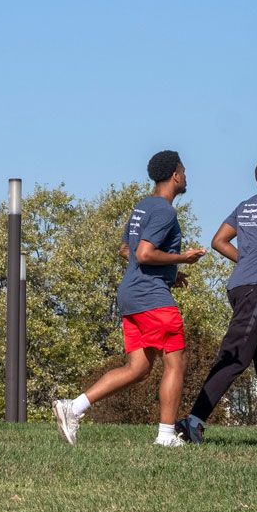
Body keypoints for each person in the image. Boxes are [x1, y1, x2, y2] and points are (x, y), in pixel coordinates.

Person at [53, 150, 207, 447]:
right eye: (184, 171)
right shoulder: (164, 211)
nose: (186, 176)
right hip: (152, 299)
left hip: (132, 294)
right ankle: (165, 437)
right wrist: (182, 259)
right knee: (177, 362)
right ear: (175, 175)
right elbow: (144, 253)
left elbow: (127, 249)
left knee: (138, 368)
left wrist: (170, 275)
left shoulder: (142, 207)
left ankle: (73, 407)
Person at [176, 158, 257, 448]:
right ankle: (193, 422)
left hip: (241, 287)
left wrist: (247, 261)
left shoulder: (246, 204)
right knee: (235, 355)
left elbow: (219, 241)